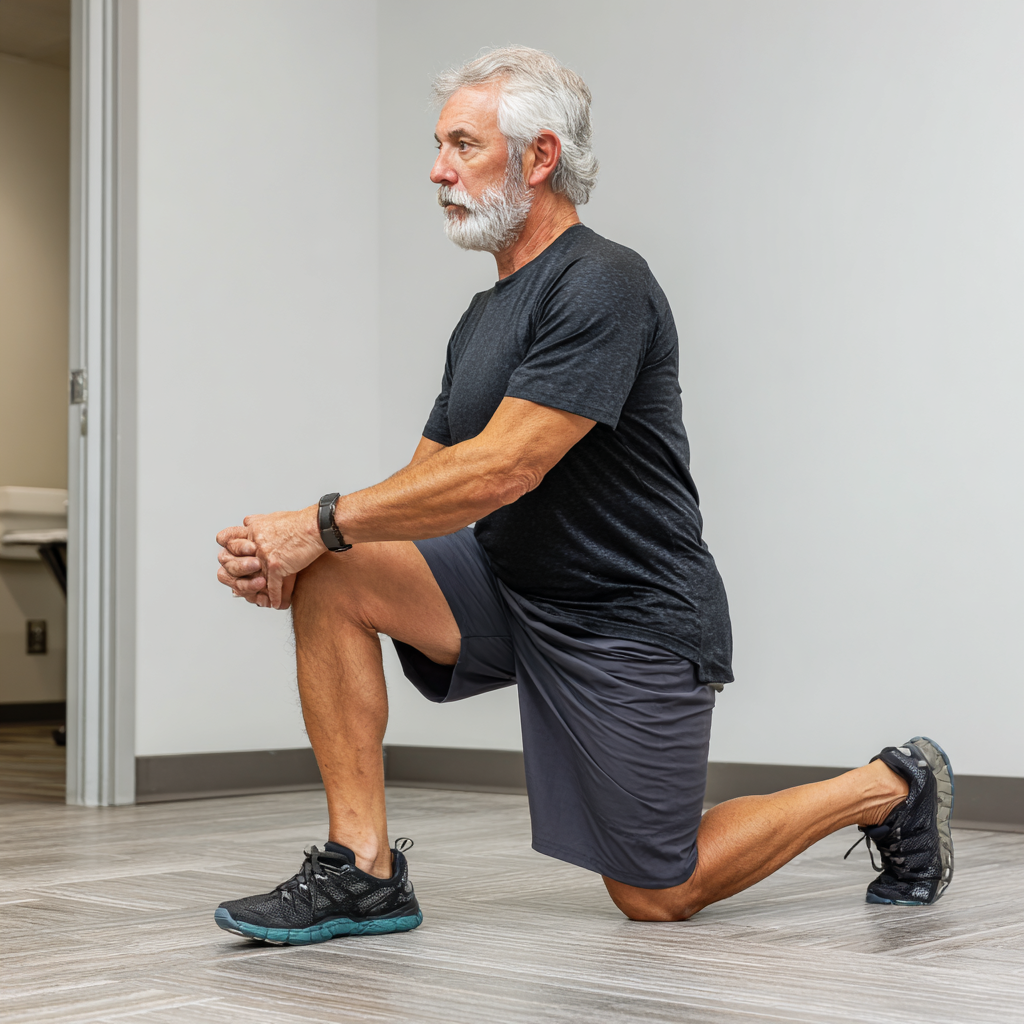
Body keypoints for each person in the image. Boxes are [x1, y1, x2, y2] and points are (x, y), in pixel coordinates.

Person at [212, 47, 954, 945]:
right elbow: (422, 490)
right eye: (438, 146)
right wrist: (303, 551)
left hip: (627, 611)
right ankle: (362, 872)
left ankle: (890, 785)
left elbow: (504, 469)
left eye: (462, 144)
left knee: (657, 891)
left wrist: (317, 522)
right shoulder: (482, 319)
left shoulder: (603, 281)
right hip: (512, 584)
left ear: (540, 157)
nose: (438, 170)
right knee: (339, 573)